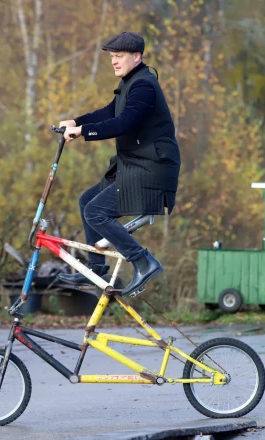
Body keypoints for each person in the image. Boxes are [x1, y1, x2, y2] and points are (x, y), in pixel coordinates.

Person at [56, 31, 181, 297]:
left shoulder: (145, 86)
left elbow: (124, 122)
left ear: (137, 56)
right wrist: (76, 121)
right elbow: (111, 111)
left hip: (152, 169)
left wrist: (83, 132)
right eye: (112, 57)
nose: (114, 62)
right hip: (135, 164)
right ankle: (97, 268)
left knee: (95, 212)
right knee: (86, 200)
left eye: (119, 56)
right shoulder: (131, 83)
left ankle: (143, 261)